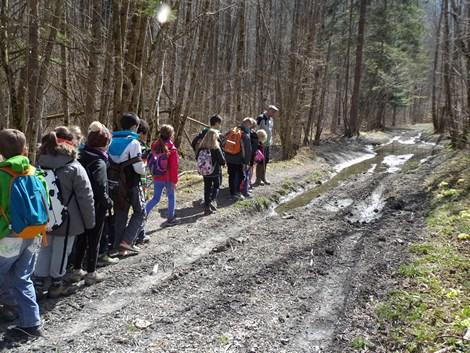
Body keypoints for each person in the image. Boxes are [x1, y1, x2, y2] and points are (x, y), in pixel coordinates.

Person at [35, 127, 95, 298]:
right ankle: (56, 285)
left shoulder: (39, 163)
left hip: (45, 217)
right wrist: (90, 222)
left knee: (45, 249)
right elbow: (86, 197)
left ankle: (38, 285)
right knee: (62, 252)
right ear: (71, 143)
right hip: (69, 219)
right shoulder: (74, 166)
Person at [0, 129, 48, 338]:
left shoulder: (2, 176)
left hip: (8, 237)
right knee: (22, 277)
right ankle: (31, 322)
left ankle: (10, 308)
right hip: (34, 234)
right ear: (25, 149)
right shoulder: (35, 172)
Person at [70, 122, 114, 285]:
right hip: (95, 207)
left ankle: (76, 270)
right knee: (94, 238)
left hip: (78, 204)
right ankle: (91, 273)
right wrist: (108, 202)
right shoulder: (99, 162)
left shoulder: (80, 155)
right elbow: (100, 187)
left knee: (81, 237)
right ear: (104, 144)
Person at [108, 112, 146, 256]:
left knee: (120, 212)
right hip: (131, 183)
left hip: (115, 184)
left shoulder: (110, 141)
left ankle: (117, 245)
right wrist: (144, 168)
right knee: (140, 211)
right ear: (135, 127)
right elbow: (138, 168)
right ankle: (127, 241)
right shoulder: (134, 142)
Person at [146, 125, 179, 226]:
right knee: (171, 196)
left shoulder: (154, 145)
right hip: (168, 178)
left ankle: (143, 214)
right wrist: (174, 181)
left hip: (157, 176)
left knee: (155, 198)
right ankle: (171, 218)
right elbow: (174, 167)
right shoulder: (172, 149)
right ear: (171, 135)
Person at [196, 129, 226, 215]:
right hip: (215, 171)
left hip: (205, 172)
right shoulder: (216, 148)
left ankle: (206, 206)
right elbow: (222, 161)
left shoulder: (201, 147)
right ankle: (213, 200)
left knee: (207, 188)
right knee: (216, 185)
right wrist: (223, 163)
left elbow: (197, 158)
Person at [224, 118, 252, 201]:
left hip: (229, 157)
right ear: (247, 125)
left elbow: (223, 141)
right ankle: (237, 192)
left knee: (231, 175)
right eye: (249, 125)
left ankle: (232, 192)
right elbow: (248, 150)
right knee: (241, 176)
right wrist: (246, 162)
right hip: (239, 160)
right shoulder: (245, 135)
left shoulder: (232, 131)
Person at [257, 105, 279, 185]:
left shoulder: (271, 120)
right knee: (260, 161)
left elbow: (270, 131)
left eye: (274, 113)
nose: (273, 114)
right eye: (272, 112)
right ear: (269, 110)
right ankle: (258, 179)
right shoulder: (261, 118)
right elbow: (257, 129)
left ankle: (263, 177)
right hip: (261, 143)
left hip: (268, 143)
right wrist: (258, 142)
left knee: (266, 161)